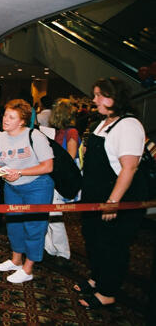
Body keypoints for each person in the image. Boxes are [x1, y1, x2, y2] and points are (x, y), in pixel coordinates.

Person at [76, 77, 148, 309]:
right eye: (95, 94)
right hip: (95, 196)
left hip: (116, 197)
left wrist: (113, 201)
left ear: (115, 97)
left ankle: (107, 291)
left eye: (100, 95)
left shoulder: (129, 125)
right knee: (94, 239)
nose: (94, 100)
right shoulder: (103, 122)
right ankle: (97, 278)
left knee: (112, 245)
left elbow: (129, 167)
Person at [0, 99, 54, 283]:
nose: (6, 119)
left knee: (34, 227)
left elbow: (48, 166)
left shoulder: (35, 136)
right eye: (5, 115)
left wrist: (20, 172)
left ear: (22, 121)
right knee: (15, 224)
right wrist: (5, 175)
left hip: (37, 186)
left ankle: (28, 268)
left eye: (11, 117)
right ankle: (16, 260)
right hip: (12, 187)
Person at [44, 98, 78, 260]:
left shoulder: (71, 132)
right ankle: (51, 247)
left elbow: (70, 158)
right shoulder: (58, 131)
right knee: (49, 214)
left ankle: (63, 252)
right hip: (53, 175)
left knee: (54, 215)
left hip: (61, 177)